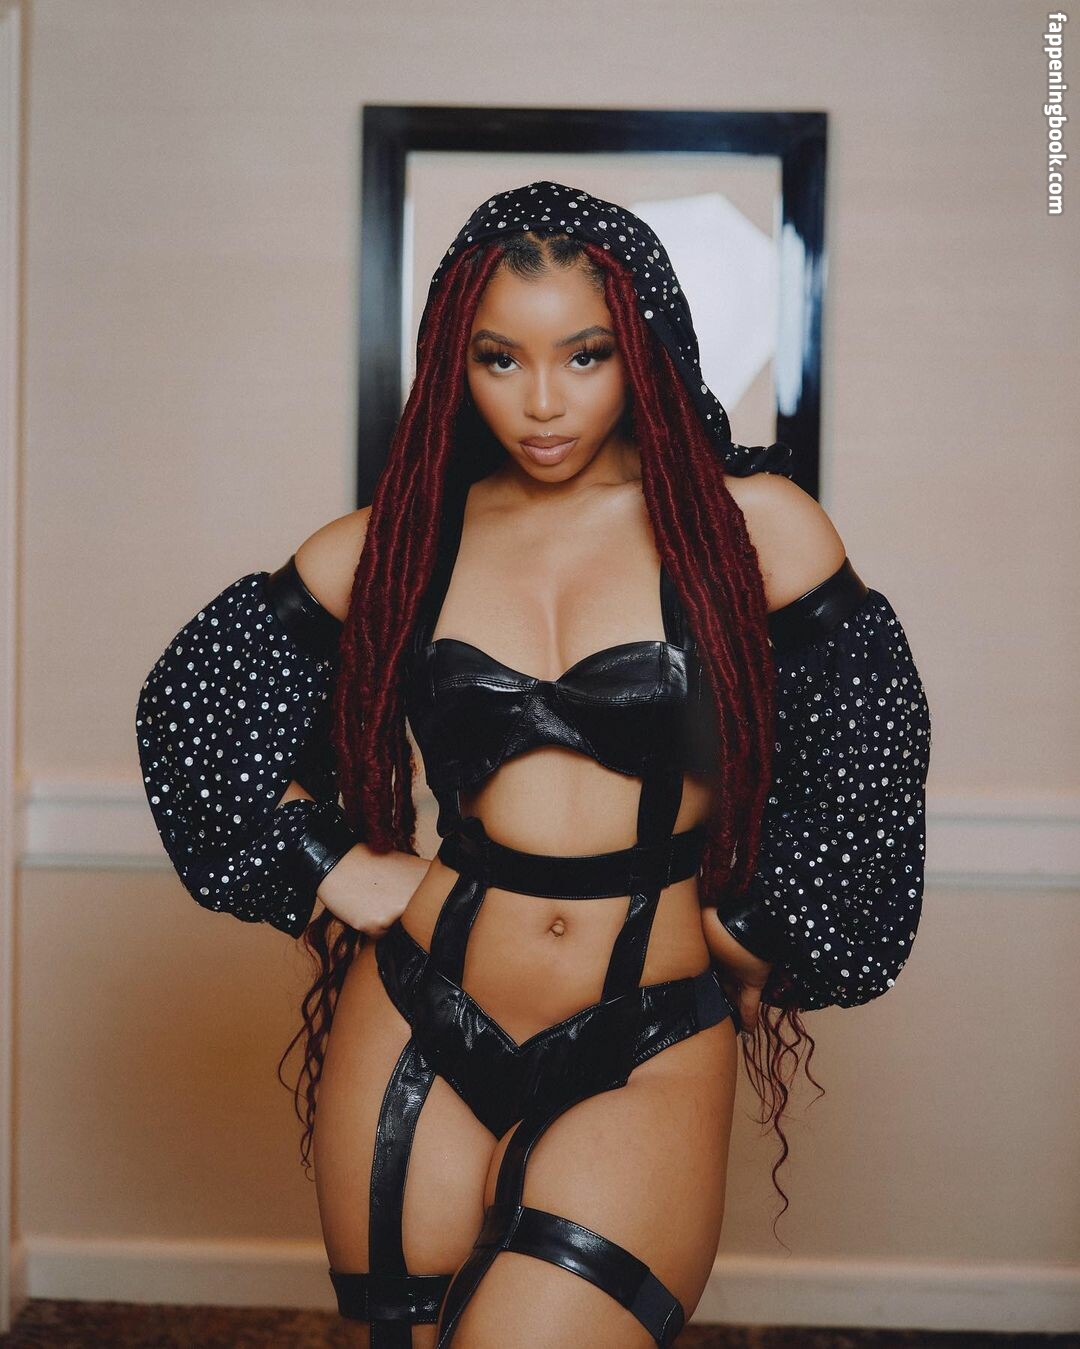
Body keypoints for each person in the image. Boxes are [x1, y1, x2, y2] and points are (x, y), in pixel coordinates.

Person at [136, 181, 931, 1348]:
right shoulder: (401, 544)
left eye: (585, 355)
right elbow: (192, 712)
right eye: (500, 359)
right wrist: (338, 866)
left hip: (647, 1032)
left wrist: (753, 928)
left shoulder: (752, 529)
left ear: (643, 354)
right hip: (417, 1013)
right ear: (453, 364)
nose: (543, 401)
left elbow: (870, 766)